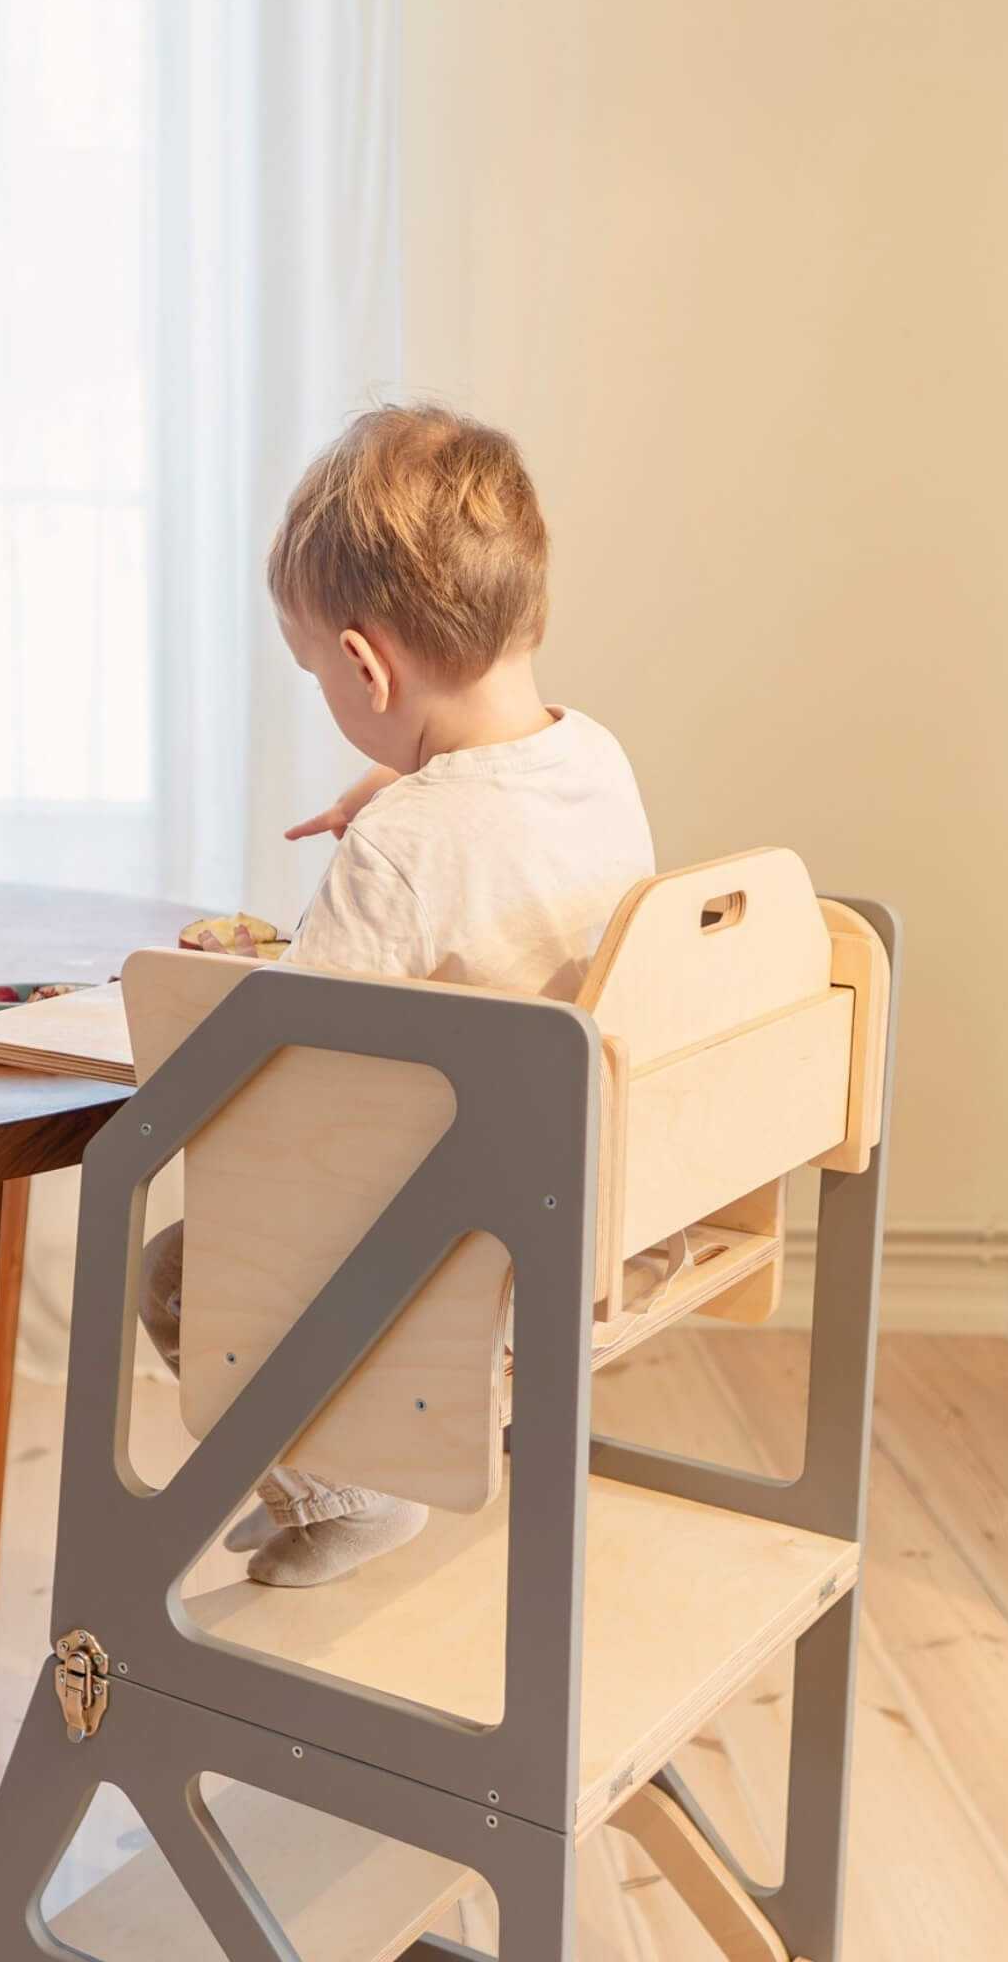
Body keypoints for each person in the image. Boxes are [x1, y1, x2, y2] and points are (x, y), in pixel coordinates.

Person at [144, 402, 656, 1586]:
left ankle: (350, 1493)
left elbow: (291, 1071)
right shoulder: (592, 756)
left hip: (461, 1245)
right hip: (587, 1204)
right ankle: (351, 1474)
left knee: (180, 1269)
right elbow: (495, 818)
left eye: (317, 672)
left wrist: (235, 991)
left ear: (365, 664)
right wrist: (403, 778)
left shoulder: (403, 848)